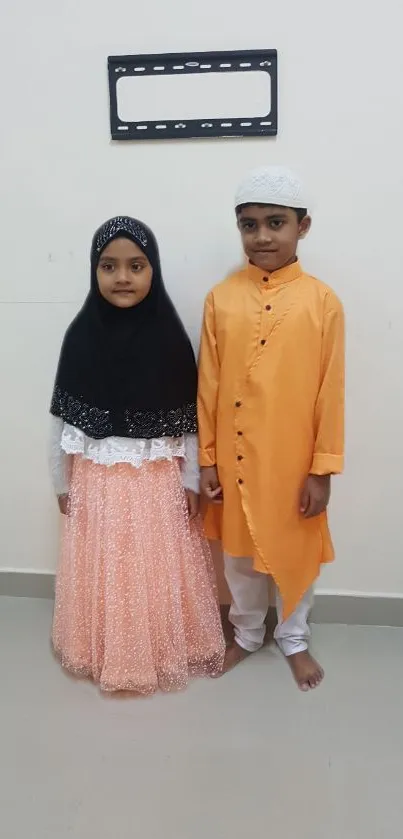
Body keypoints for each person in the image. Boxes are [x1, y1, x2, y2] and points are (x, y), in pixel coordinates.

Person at [49, 216, 225, 694]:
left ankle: (158, 650)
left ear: (155, 270)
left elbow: (189, 421)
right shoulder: (80, 335)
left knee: (153, 568)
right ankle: (103, 648)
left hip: (155, 484)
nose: (122, 277)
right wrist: (61, 483)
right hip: (97, 481)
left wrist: (191, 482)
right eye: (109, 266)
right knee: (107, 565)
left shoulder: (170, 339)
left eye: (136, 265)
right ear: (94, 271)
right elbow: (61, 418)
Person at [198, 167, 344, 691]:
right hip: (236, 459)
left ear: (303, 227)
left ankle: (294, 638)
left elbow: (331, 391)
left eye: (275, 223)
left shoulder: (322, 301)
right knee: (239, 554)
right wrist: (208, 458)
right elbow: (208, 386)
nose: (261, 237)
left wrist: (322, 469)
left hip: (292, 459)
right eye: (249, 225)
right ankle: (245, 633)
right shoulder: (221, 298)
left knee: (294, 548)